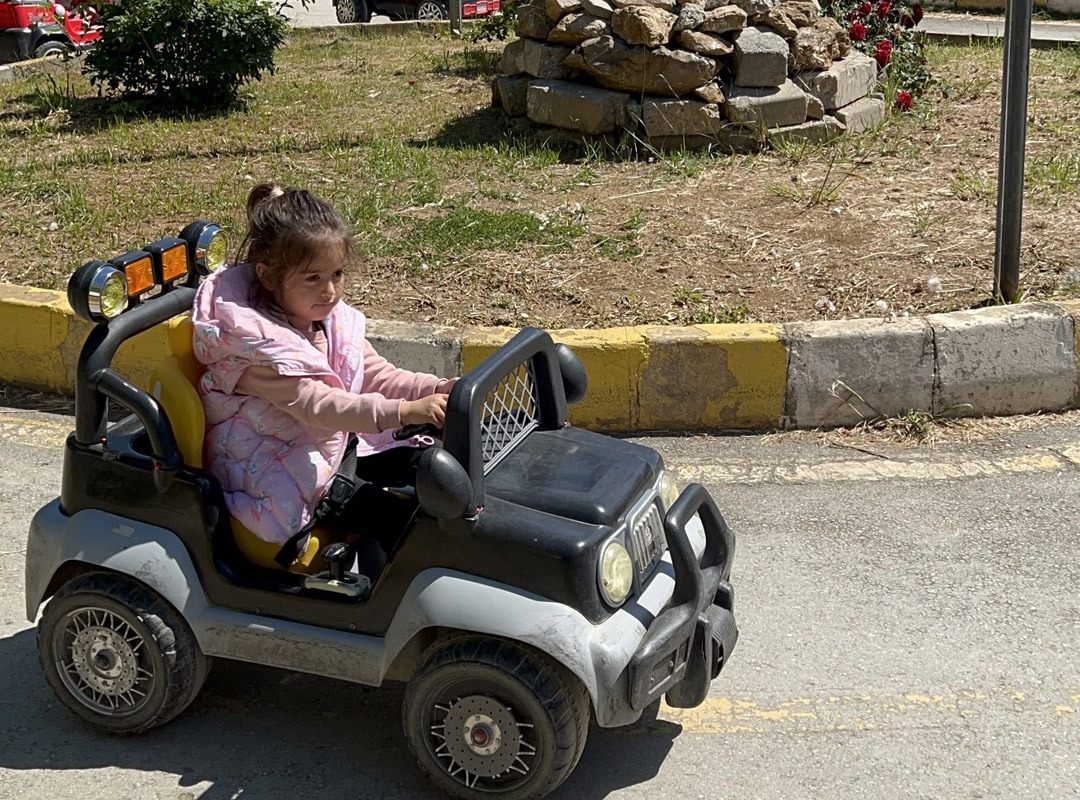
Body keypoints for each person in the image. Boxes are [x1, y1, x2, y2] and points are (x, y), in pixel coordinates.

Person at [191, 182, 456, 574]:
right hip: (276, 470)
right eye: (313, 278)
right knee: (404, 525)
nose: (330, 291)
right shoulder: (255, 353)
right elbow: (319, 405)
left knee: (430, 466)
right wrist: (404, 411)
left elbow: (373, 373)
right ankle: (385, 608)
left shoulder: (324, 320)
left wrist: (432, 389)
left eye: (337, 274)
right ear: (267, 277)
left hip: (328, 449)